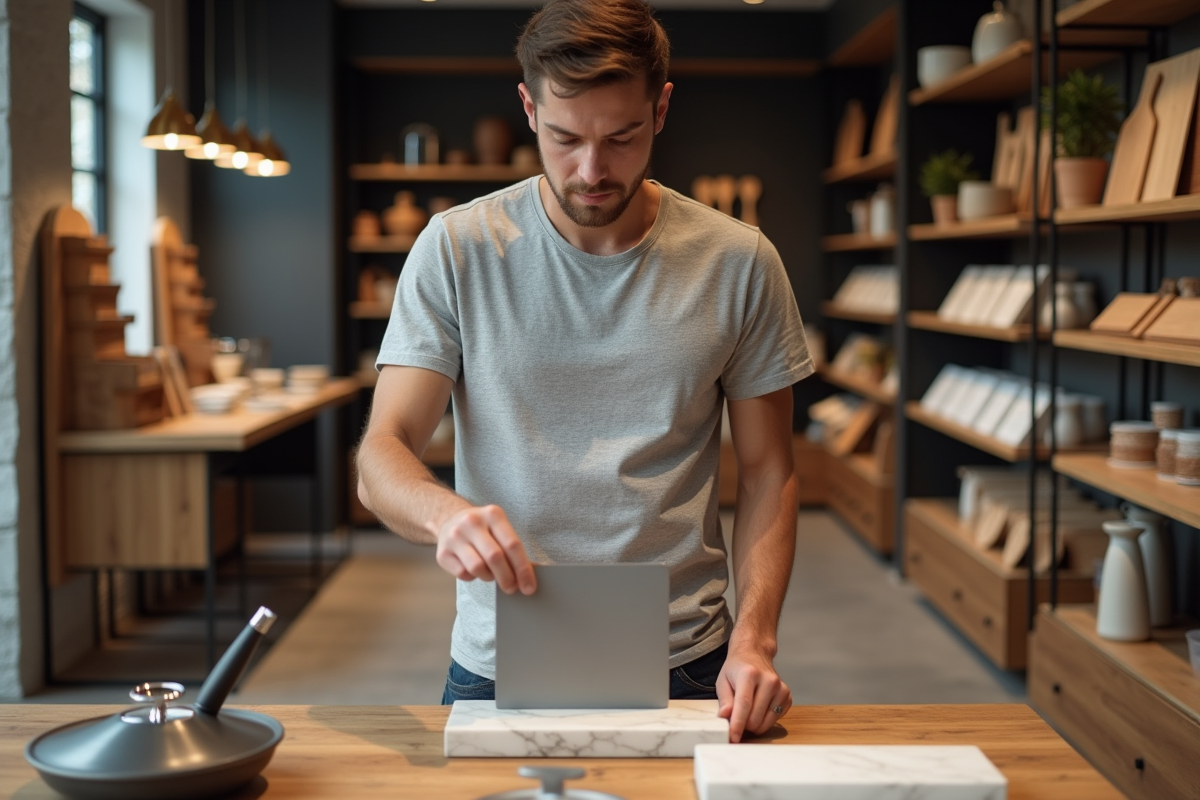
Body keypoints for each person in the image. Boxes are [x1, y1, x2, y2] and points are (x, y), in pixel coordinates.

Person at [355, 0, 812, 743]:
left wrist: (754, 641)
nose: (592, 170)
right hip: (500, 657)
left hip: (692, 663)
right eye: (565, 138)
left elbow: (769, 472)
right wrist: (445, 514)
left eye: (621, 137)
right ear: (529, 108)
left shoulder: (739, 262)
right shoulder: (457, 249)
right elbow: (381, 454)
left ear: (660, 110)